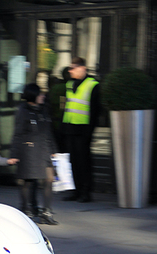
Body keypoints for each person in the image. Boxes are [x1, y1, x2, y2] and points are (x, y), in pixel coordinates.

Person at [11, 83, 58, 225]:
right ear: (33, 96)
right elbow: (17, 133)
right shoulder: (23, 111)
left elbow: (48, 132)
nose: (43, 96)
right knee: (28, 181)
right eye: (40, 94)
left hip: (44, 150)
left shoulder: (44, 110)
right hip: (29, 151)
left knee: (49, 179)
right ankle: (27, 210)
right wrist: (14, 153)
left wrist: (54, 150)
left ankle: (46, 212)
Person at [61, 57, 100, 203]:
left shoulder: (93, 85)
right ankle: (75, 191)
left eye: (73, 68)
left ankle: (85, 192)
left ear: (82, 68)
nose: (70, 71)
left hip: (83, 129)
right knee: (73, 162)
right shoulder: (69, 84)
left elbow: (96, 111)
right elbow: (65, 106)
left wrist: (90, 131)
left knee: (84, 162)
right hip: (70, 127)